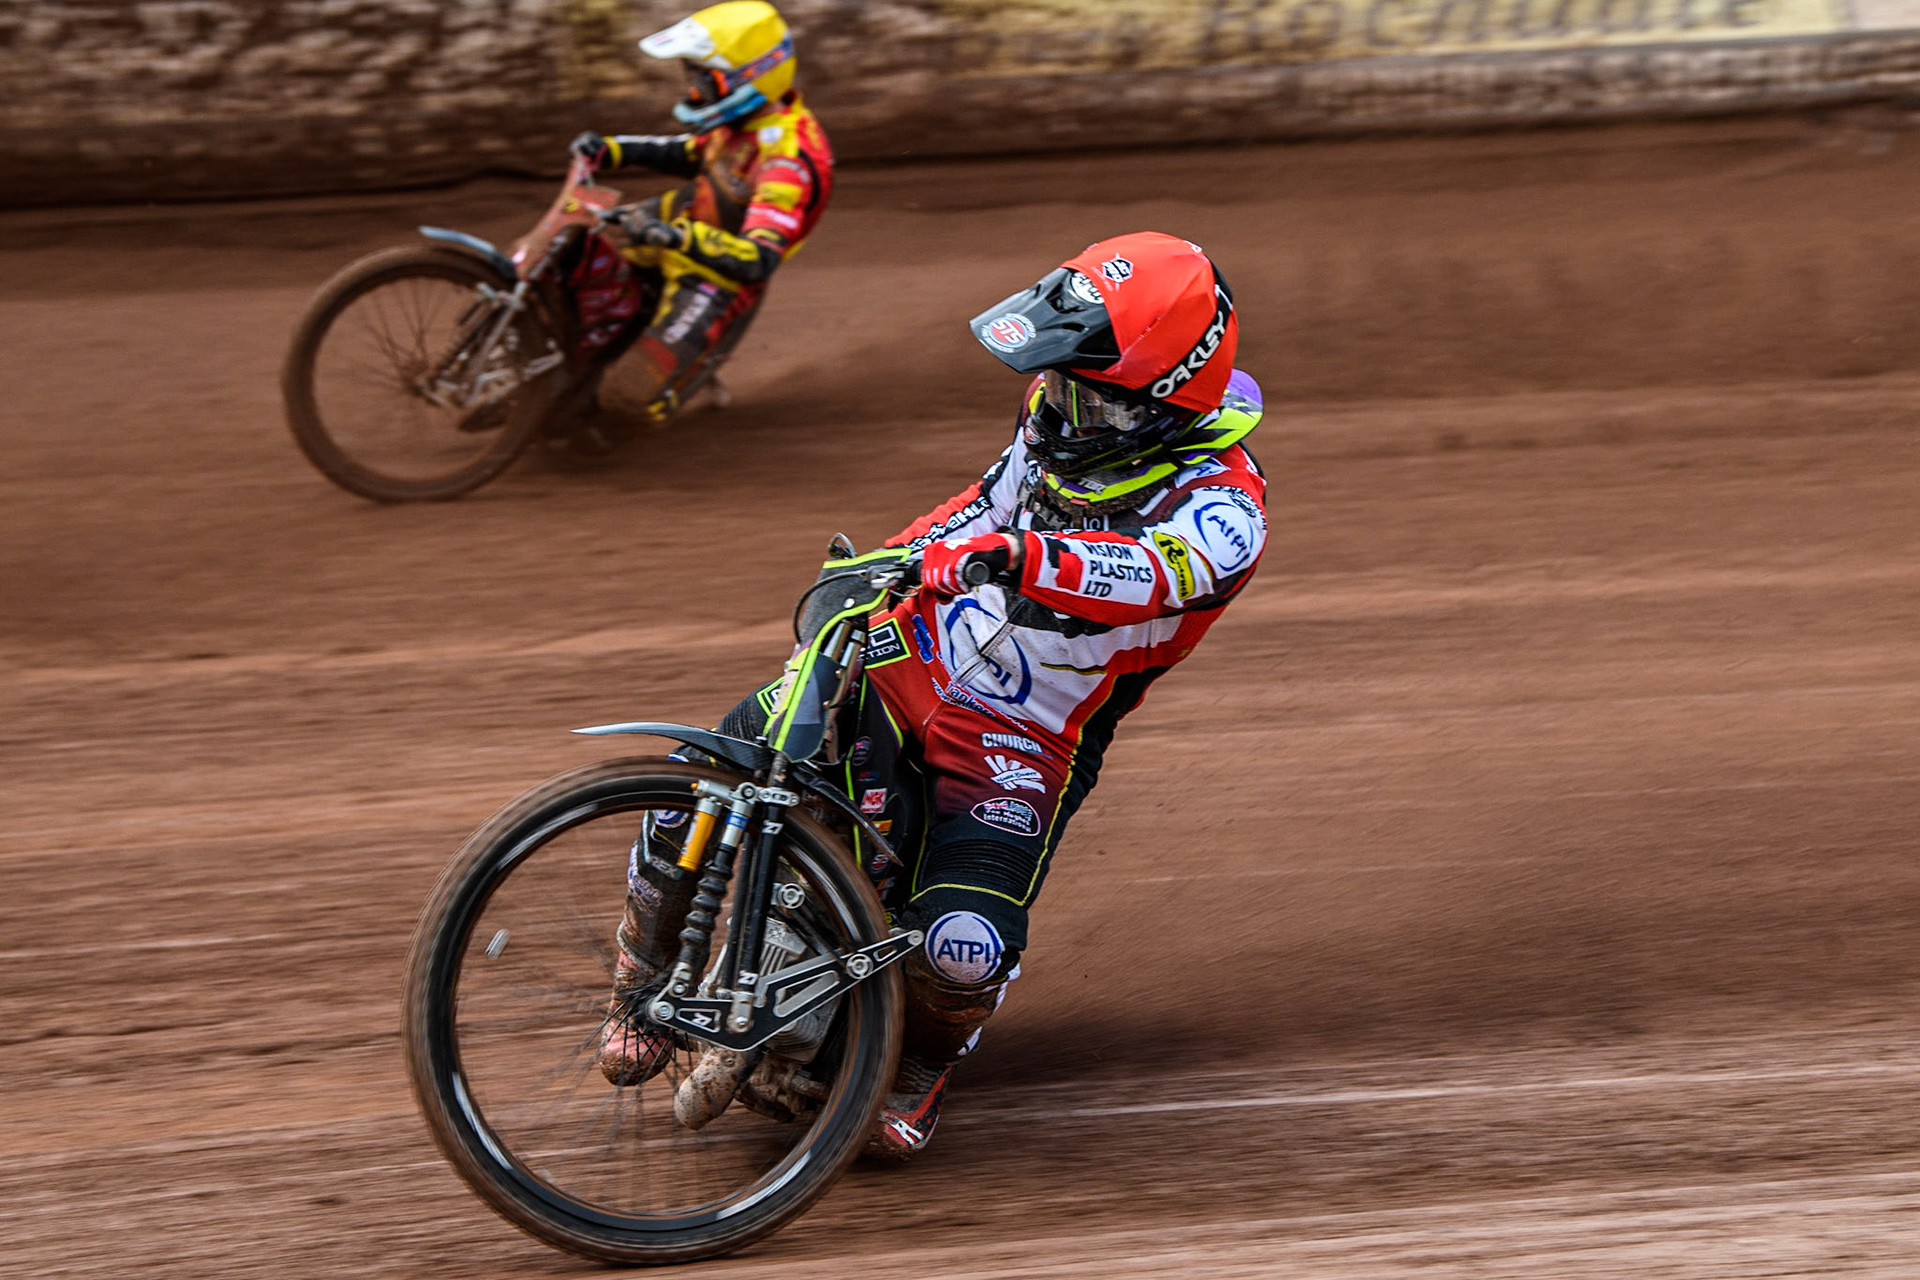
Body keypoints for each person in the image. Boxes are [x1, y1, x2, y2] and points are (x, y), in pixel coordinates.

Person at [603, 231, 1270, 1159]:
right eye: (1057, 382)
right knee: (708, 772)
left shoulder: (1227, 508)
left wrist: (1021, 556)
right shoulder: (1056, 421)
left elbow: (1148, 572)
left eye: (1083, 393)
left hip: (1025, 738)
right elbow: (977, 508)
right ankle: (640, 975)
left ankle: (917, 1068)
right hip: (908, 652)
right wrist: (892, 559)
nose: (1055, 406)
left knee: (963, 944)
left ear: (1155, 405)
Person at [566, 0, 832, 427]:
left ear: (751, 76)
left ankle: (672, 387)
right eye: (692, 78)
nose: (694, 90)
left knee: (620, 402)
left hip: (715, 275)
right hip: (672, 225)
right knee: (568, 252)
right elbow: (685, 152)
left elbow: (758, 257)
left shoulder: (788, 161)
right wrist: (610, 149)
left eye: (703, 80)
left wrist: (677, 237)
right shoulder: (739, 125)